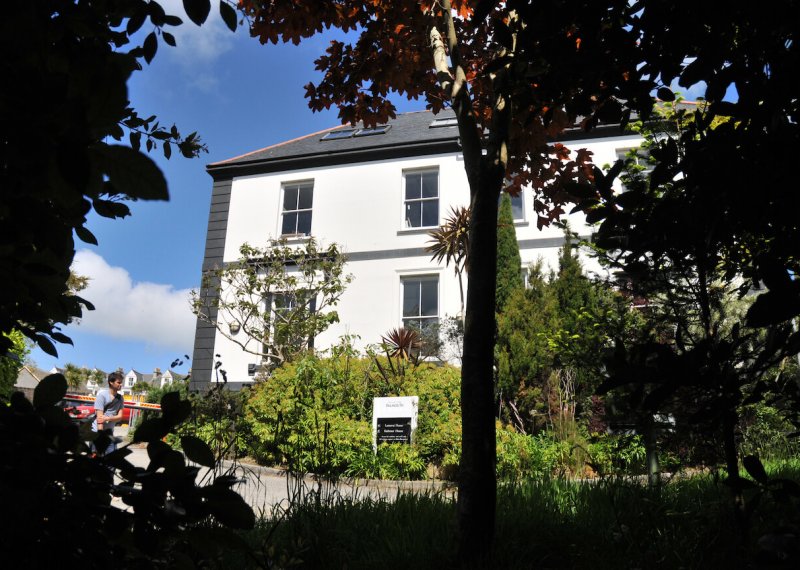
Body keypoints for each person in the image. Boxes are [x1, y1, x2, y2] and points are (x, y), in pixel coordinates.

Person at [92, 371, 125, 456]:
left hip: (110, 434)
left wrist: (107, 418)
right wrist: (100, 437)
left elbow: (120, 417)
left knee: (112, 460)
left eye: (121, 383)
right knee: (95, 460)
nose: (120, 385)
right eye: (118, 382)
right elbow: (100, 420)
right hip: (97, 433)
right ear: (111, 382)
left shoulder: (120, 398)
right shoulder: (102, 396)